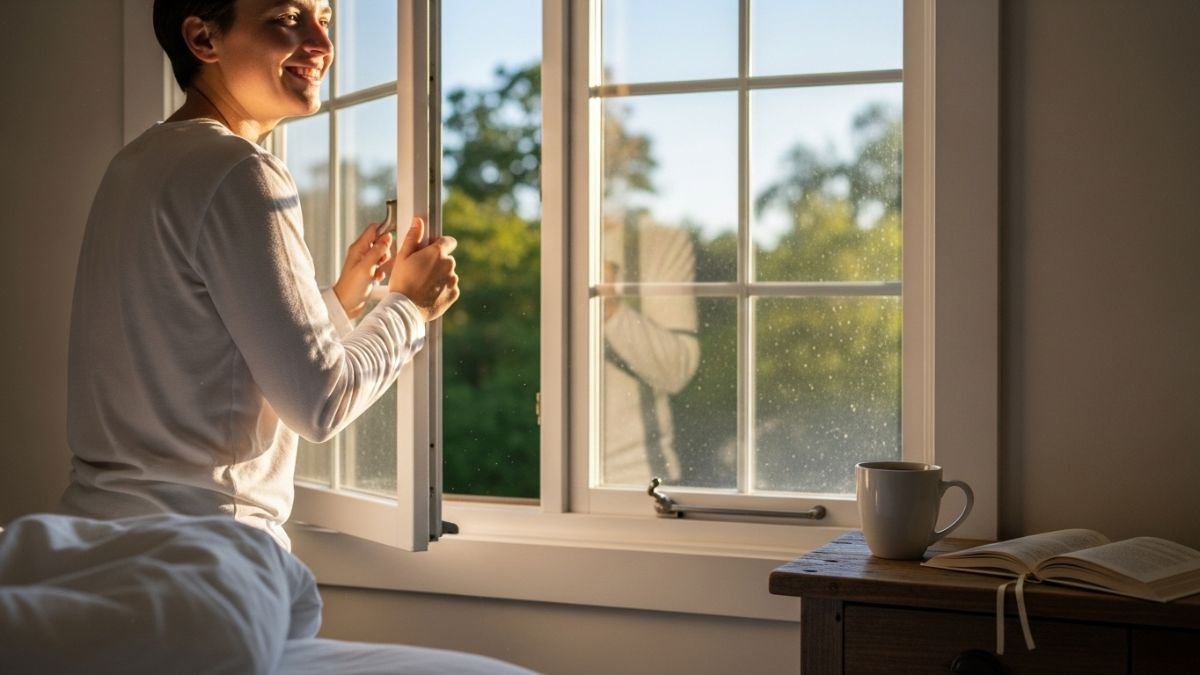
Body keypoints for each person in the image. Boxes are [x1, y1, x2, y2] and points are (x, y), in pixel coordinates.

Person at [57, 0, 459, 551]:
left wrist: (338, 303)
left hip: (92, 544)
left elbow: (199, 356)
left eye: (325, 20)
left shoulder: (134, 163)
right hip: (201, 556)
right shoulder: (240, 169)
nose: (322, 44)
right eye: (288, 19)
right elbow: (320, 403)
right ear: (204, 39)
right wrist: (410, 307)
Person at [600, 211, 699, 485]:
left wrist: (611, 309)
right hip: (535, 485)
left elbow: (677, 370)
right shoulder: (543, 236)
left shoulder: (658, 240)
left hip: (633, 481)